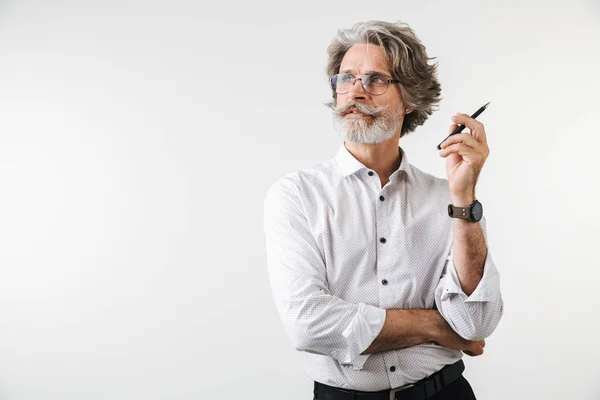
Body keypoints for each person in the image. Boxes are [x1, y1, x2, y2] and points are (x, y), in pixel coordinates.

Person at [263, 20, 503, 400]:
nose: (355, 92)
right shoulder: (296, 196)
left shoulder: (452, 201)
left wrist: (463, 199)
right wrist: (438, 327)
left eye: (375, 80)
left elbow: (475, 323)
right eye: (346, 78)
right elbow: (308, 324)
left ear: (410, 98)